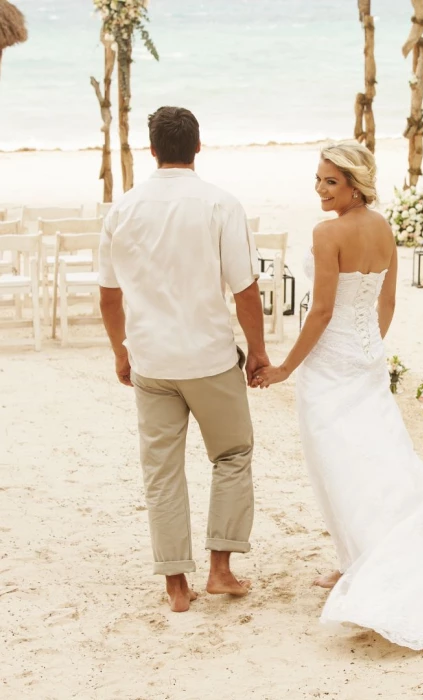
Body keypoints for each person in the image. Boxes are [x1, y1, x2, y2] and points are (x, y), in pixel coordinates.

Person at [253, 141, 423, 650]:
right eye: (317, 178)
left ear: (355, 184)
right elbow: (387, 301)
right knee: (376, 455)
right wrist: (366, 348)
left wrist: (283, 369)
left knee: (338, 463)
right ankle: (353, 559)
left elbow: (319, 312)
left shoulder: (327, 233)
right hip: (364, 359)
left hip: (329, 363)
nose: (319, 188)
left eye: (330, 181)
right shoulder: (383, 227)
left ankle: (362, 564)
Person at [98, 106, 268, 613]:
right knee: (232, 456)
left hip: (151, 360)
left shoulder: (122, 210)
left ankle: (176, 586)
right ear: (198, 147)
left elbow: (109, 297)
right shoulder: (220, 204)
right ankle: (220, 570)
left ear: (151, 150)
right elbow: (246, 290)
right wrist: (257, 351)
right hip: (211, 358)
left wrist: (120, 351)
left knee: (162, 471)